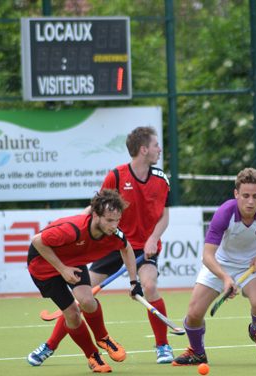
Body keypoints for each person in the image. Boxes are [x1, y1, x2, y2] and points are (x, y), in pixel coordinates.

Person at [28, 126, 175, 365]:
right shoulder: (116, 175)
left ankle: (163, 346)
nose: (160, 149)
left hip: (142, 248)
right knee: (81, 299)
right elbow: (98, 207)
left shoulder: (161, 179)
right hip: (111, 242)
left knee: (149, 285)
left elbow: (164, 216)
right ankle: (50, 345)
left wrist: (151, 239)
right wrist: (79, 225)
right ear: (144, 149)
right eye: (156, 145)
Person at [172, 167, 256, 366]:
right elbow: (207, 255)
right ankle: (197, 353)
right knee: (193, 315)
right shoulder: (225, 213)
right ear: (236, 194)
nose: (250, 201)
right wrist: (226, 278)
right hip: (220, 264)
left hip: (253, 265)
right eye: (245, 196)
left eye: (255, 196)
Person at [27, 189, 143, 373]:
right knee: (72, 314)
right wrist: (62, 269)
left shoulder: (114, 234)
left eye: (117, 220)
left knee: (87, 301)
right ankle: (92, 355)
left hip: (74, 261)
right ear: (96, 215)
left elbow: (126, 249)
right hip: (44, 266)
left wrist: (133, 281)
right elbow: (37, 241)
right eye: (109, 220)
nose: (114, 225)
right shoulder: (72, 230)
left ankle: (103, 337)